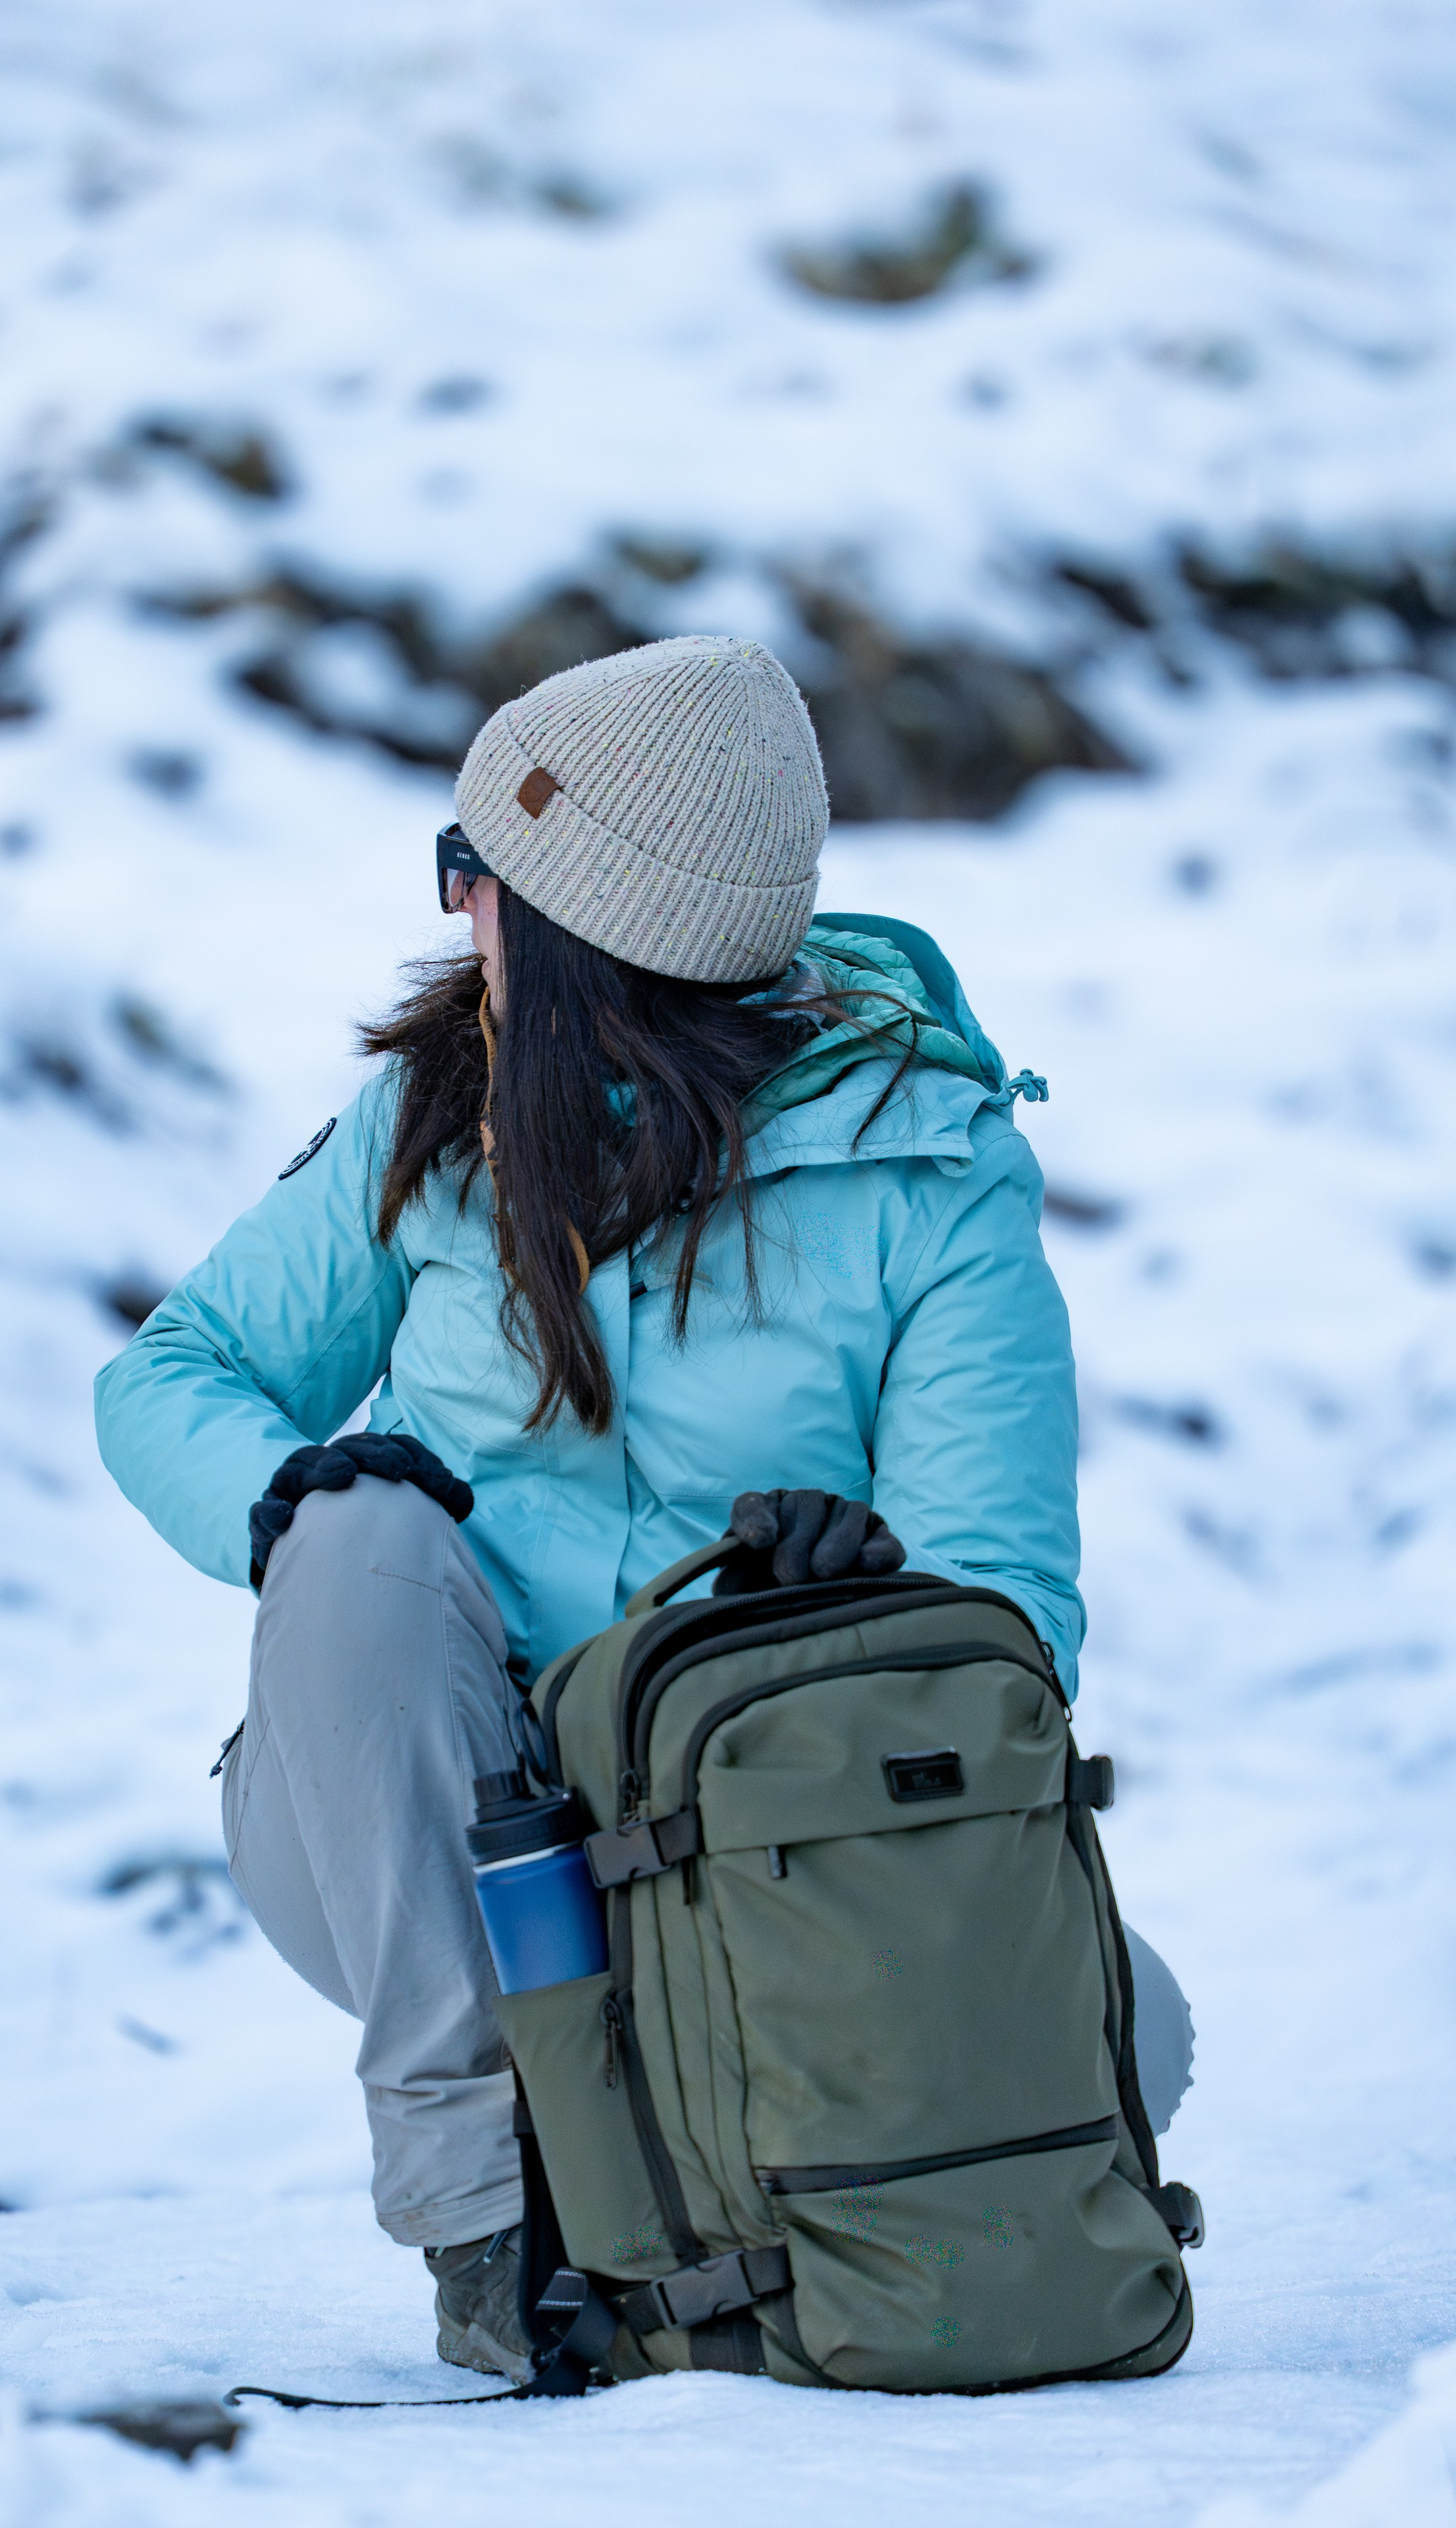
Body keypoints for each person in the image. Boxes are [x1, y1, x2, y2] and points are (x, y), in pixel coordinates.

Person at [94, 635, 1192, 2384]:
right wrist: (289, 1499)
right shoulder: (424, 1121)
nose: (456, 918)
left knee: (1142, 2046)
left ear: (580, 924)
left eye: (475, 874)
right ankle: (487, 2218)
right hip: (433, 1841)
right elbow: (174, 1375)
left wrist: (869, 1611)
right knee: (361, 1533)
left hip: (749, 1839)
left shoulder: (931, 1165)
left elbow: (1008, 1612)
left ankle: (686, 2154)